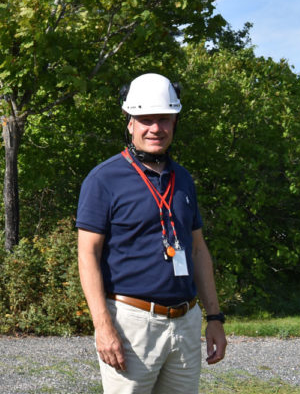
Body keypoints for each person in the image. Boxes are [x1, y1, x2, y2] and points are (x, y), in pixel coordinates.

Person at [76, 73, 226, 393]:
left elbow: (198, 250)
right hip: (131, 323)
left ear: (175, 122)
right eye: (146, 120)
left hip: (185, 321)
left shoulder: (183, 179)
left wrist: (215, 318)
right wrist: (103, 326)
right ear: (130, 122)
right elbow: (88, 254)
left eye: (164, 119)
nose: (155, 128)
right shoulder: (103, 179)